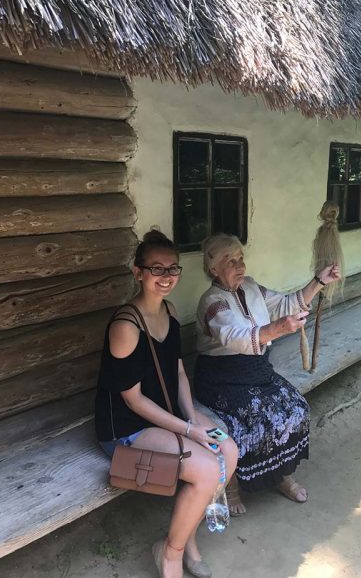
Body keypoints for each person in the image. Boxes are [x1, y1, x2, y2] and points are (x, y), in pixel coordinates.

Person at [95, 230, 238, 578]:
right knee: (205, 469)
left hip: (170, 417)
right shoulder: (126, 325)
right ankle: (171, 554)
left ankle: (185, 537)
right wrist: (189, 430)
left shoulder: (170, 311)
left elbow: (177, 373)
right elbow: (133, 399)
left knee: (228, 448)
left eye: (173, 269)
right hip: (128, 427)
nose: (166, 277)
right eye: (156, 269)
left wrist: (193, 418)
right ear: (138, 272)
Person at [194, 233, 341, 515]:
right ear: (213, 268)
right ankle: (232, 485)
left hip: (257, 369)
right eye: (230, 261)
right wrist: (276, 330)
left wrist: (319, 281)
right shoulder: (212, 301)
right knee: (255, 415)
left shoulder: (251, 288)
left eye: (240, 259)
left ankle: (282, 476)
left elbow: (287, 304)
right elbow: (232, 337)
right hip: (222, 377)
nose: (239, 266)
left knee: (295, 407)